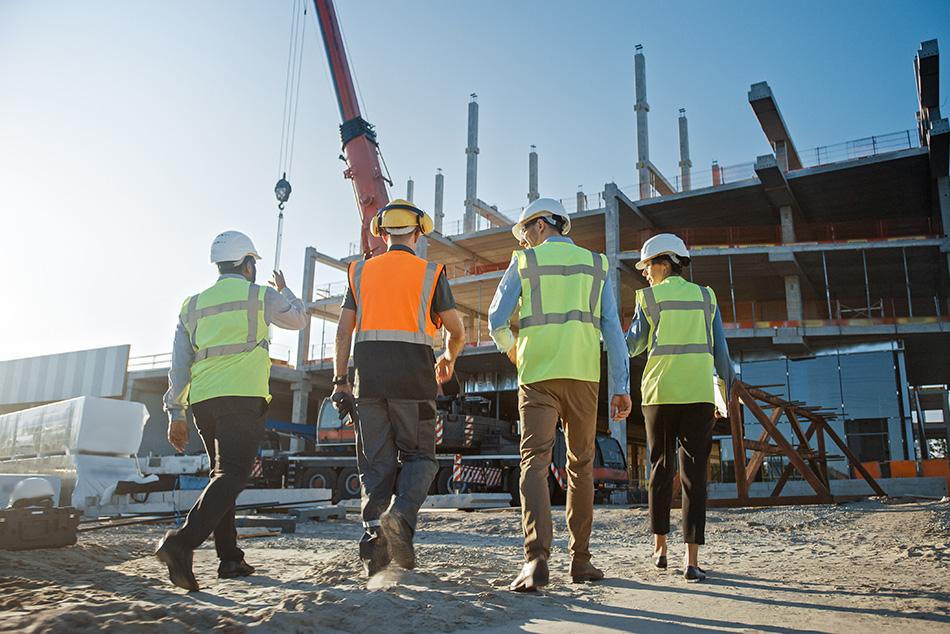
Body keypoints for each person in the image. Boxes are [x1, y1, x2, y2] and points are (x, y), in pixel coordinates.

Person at [488, 198, 632, 592]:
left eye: (525, 234)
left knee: (533, 464)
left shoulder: (524, 263)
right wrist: (621, 387)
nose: (525, 242)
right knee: (580, 467)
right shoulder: (597, 264)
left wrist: (513, 349)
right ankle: (581, 561)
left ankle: (536, 559)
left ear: (538, 226)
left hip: (537, 375)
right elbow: (613, 331)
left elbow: (495, 319)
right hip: (584, 377)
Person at [157, 230, 309, 591]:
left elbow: (178, 365)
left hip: (204, 402)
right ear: (248, 264)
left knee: (221, 477)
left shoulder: (192, 305)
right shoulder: (261, 296)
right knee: (233, 475)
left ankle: (230, 559)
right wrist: (286, 291)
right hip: (241, 398)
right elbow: (299, 320)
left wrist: (175, 412)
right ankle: (181, 543)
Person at [332, 199, 466, 577]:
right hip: (415, 382)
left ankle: (376, 556)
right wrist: (448, 359)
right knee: (421, 459)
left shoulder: (359, 272)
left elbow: (343, 332)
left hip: (369, 384)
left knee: (376, 467)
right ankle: (401, 516)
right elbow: (456, 331)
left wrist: (340, 380)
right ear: (418, 232)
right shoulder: (430, 272)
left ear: (383, 232)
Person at [626, 232, 736, 583]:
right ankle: (691, 561)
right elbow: (722, 354)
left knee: (659, 468)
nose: (645, 273)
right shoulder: (707, 297)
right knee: (695, 477)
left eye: (647, 266)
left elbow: (632, 347)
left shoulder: (648, 299)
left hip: (659, 395)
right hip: (699, 395)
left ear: (664, 263)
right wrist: (723, 397)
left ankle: (660, 549)